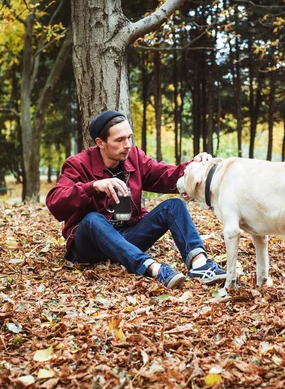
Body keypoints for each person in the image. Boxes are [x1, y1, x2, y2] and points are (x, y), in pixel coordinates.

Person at [45, 110, 227, 289]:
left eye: (129, 137)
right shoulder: (78, 164)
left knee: (174, 206)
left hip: (127, 234)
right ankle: (154, 269)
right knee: (92, 219)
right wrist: (93, 187)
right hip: (90, 246)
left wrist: (193, 166)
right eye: (119, 140)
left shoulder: (133, 156)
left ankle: (200, 265)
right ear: (100, 142)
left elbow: (164, 175)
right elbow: (55, 202)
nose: (128, 145)